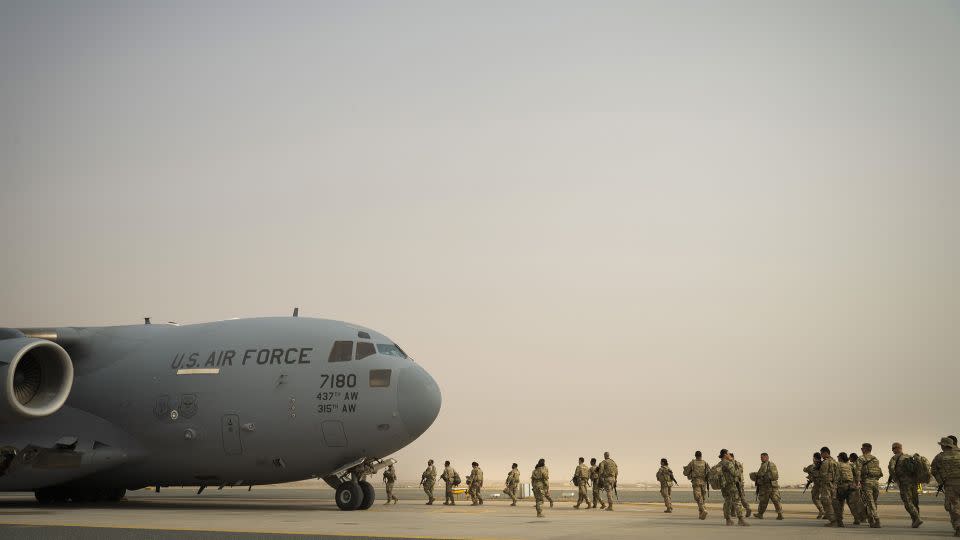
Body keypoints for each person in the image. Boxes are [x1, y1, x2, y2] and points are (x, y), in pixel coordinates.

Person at [931, 436, 960, 537]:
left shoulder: (940, 457)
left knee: (953, 506)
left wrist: (940, 481)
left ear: (944, 445)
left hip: (950, 484)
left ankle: (958, 526)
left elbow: (933, 470)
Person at [889, 442, 923, 528]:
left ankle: (917, 518)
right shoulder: (909, 457)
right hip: (914, 482)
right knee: (915, 501)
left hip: (904, 483)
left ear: (895, 449)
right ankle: (915, 520)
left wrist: (896, 480)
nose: (892, 450)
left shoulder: (894, 458)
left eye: (893, 448)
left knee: (907, 502)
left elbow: (891, 469)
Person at [718, 449, 749, 526]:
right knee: (737, 501)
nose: (729, 455)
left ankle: (728, 520)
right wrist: (739, 468)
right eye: (728, 454)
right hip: (732, 485)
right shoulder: (728, 463)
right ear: (725, 455)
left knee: (727, 502)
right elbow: (735, 473)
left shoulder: (719, 464)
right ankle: (741, 519)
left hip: (724, 486)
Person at [856, 442, 883, 527]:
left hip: (867, 482)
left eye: (862, 448)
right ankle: (871, 520)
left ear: (864, 449)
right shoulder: (875, 459)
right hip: (875, 482)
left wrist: (858, 481)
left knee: (870, 502)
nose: (861, 450)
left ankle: (877, 520)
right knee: (873, 502)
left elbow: (858, 471)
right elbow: (879, 472)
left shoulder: (861, 458)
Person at [752, 452, 783, 520]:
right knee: (776, 500)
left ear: (766, 457)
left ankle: (760, 514)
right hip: (773, 486)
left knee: (763, 501)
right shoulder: (772, 464)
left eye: (762, 457)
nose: (761, 458)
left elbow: (760, 474)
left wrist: (753, 475)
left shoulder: (764, 465)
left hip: (766, 486)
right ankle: (780, 514)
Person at [683, 450, 709, 520]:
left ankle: (703, 510)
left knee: (698, 497)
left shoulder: (692, 463)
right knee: (702, 498)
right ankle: (701, 514)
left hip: (696, 482)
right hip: (704, 482)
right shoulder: (705, 463)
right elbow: (709, 473)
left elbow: (685, 472)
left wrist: (686, 471)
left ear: (695, 456)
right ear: (701, 455)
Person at [819, 447, 840, 527]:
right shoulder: (835, 462)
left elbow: (823, 475)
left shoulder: (826, 462)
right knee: (833, 503)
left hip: (827, 485)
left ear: (825, 453)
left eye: (821, 453)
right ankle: (838, 519)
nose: (821, 455)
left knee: (826, 502)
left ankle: (833, 521)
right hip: (834, 485)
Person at [847, 452, 868, 525]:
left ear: (853, 458)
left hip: (856, 485)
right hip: (861, 485)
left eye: (850, 457)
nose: (849, 459)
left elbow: (856, 475)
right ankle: (863, 518)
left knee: (854, 502)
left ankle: (858, 518)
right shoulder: (860, 464)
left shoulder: (854, 465)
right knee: (861, 502)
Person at [803, 452, 825, 518]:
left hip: (818, 485)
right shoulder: (824, 464)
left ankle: (821, 511)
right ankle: (826, 512)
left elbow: (806, 470)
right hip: (824, 485)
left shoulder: (813, 466)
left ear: (814, 458)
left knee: (815, 498)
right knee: (825, 499)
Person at [730, 452, 752, 517]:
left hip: (734, 483)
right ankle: (747, 508)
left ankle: (733, 512)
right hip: (740, 483)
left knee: (733, 498)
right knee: (741, 497)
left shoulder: (730, 464)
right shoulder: (738, 463)